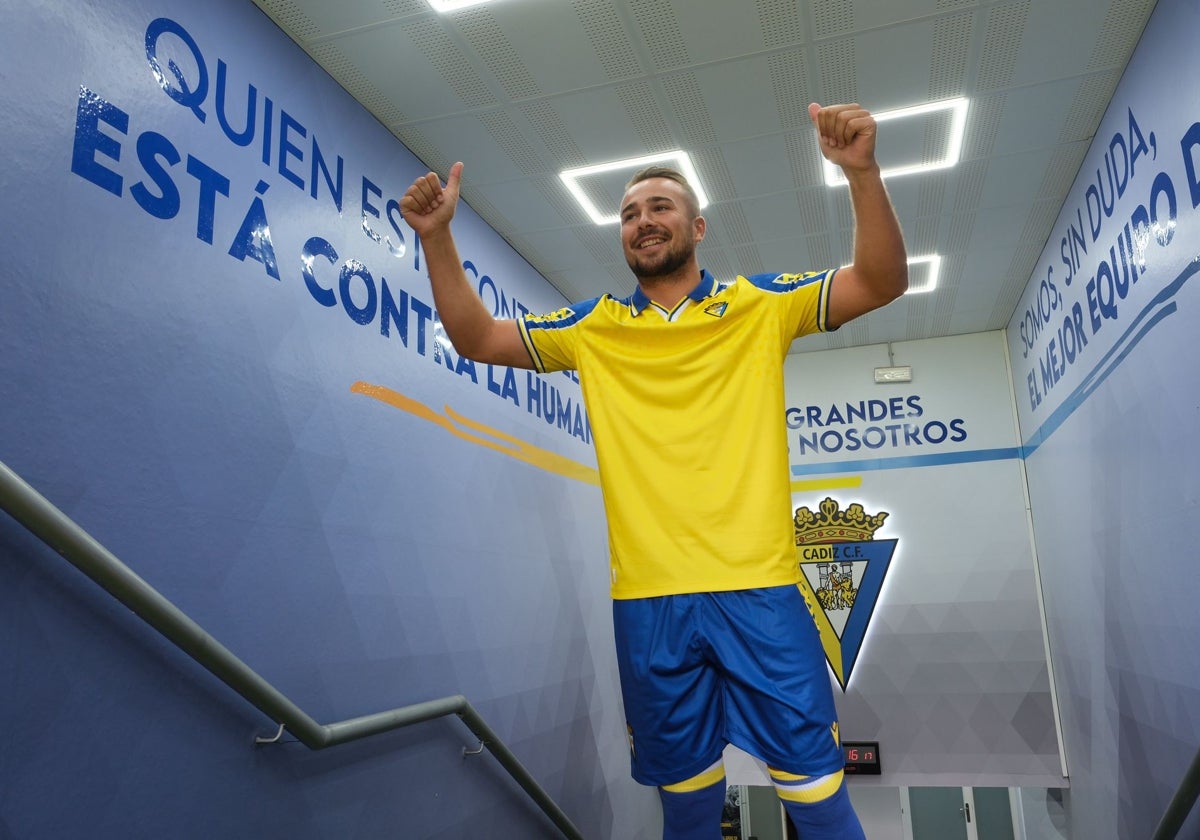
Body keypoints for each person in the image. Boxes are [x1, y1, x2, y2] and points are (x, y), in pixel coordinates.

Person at [401, 102, 907, 840]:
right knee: (689, 808)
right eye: (630, 211)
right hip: (648, 605)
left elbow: (881, 281)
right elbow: (477, 337)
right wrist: (439, 238)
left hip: (759, 593)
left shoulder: (758, 306)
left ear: (697, 228)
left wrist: (861, 173)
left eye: (661, 205)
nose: (642, 219)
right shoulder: (592, 329)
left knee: (819, 801)